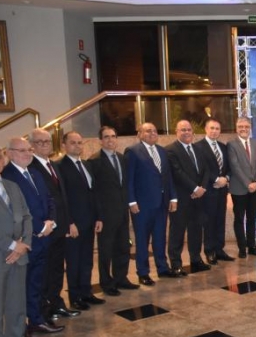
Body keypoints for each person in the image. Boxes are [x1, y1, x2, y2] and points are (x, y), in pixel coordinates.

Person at [1, 138, 61, 337]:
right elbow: (17, 210)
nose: (28, 153)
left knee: (38, 282)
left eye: (29, 150)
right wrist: (39, 227)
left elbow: (49, 199)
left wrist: (50, 222)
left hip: (44, 237)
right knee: (23, 286)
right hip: (25, 240)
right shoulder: (7, 176)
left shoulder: (34, 172)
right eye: (22, 150)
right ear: (10, 153)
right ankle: (23, 327)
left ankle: (37, 319)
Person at [0, 143, 38, 337]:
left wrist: (23, 244)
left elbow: (27, 216)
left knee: (16, 302)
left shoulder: (12, 185)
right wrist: (12, 245)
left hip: (19, 254)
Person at [28, 129, 76, 322]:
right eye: (39, 142)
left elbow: (62, 197)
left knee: (57, 269)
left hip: (60, 227)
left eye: (47, 141)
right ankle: (44, 310)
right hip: (45, 229)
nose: (45, 145)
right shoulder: (31, 167)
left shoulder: (53, 165)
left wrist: (68, 222)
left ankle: (56, 303)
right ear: (32, 146)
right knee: (44, 273)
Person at [126, 122, 178, 285]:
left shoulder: (162, 151)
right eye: (148, 131)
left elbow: (168, 177)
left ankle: (162, 268)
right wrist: (131, 201)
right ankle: (143, 272)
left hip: (162, 203)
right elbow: (129, 179)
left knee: (160, 237)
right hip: (142, 205)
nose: (152, 133)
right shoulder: (133, 151)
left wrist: (173, 198)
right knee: (142, 240)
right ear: (139, 134)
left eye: (155, 131)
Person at [57, 131, 103, 310]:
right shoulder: (60, 166)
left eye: (79, 142)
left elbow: (94, 192)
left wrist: (98, 217)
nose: (77, 146)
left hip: (89, 220)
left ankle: (86, 292)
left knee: (87, 260)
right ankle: (75, 297)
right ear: (64, 145)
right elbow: (62, 198)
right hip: (74, 224)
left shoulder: (86, 164)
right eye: (73, 142)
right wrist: (69, 222)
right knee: (74, 262)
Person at [88, 126, 136, 295]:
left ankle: (121, 278)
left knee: (123, 247)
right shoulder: (94, 161)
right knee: (106, 251)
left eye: (113, 136)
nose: (110, 140)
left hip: (122, 211)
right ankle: (106, 283)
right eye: (106, 137)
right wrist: (99, 215)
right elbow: (94, 191)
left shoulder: (122, 158)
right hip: (106, 214)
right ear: (100, 140)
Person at [166, 120, 210, 273]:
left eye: (189, 129)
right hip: (181, 198)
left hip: (199, 198)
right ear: (176, 132)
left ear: (193, 132)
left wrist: (202, 188)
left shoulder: (198, 149)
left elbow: (206, 170)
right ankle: (176, 264)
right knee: (177, 231)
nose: (186, 132)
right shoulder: (170, 150)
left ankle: (196, 260)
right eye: (183, 130)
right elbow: (178, 173)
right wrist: (195, 188)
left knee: (196, 230)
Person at [194, 118, 234, 265]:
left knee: (220, 220)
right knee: (209, 222)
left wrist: (226, 178)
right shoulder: (198, 147)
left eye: (217, 128)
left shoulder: (223, 147)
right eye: (212, 128)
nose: (214, 131)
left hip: (222, 191)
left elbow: (229, 167)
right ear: (206, 129)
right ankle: (209, 251)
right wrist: (216, 179)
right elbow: (201, 169)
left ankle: (219, 249)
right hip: (208, 191)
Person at [227, 116, 256, 258]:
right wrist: (248, 184)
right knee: (239, 219)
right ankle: (242, 248)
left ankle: (252, 246)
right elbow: (235, 167)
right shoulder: (231, 145)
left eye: (246, 126)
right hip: (239, 189)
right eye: (241, 127)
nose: (244, 129)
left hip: (255, 189)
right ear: (236, 128)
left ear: (250, 128)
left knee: (252, 218)